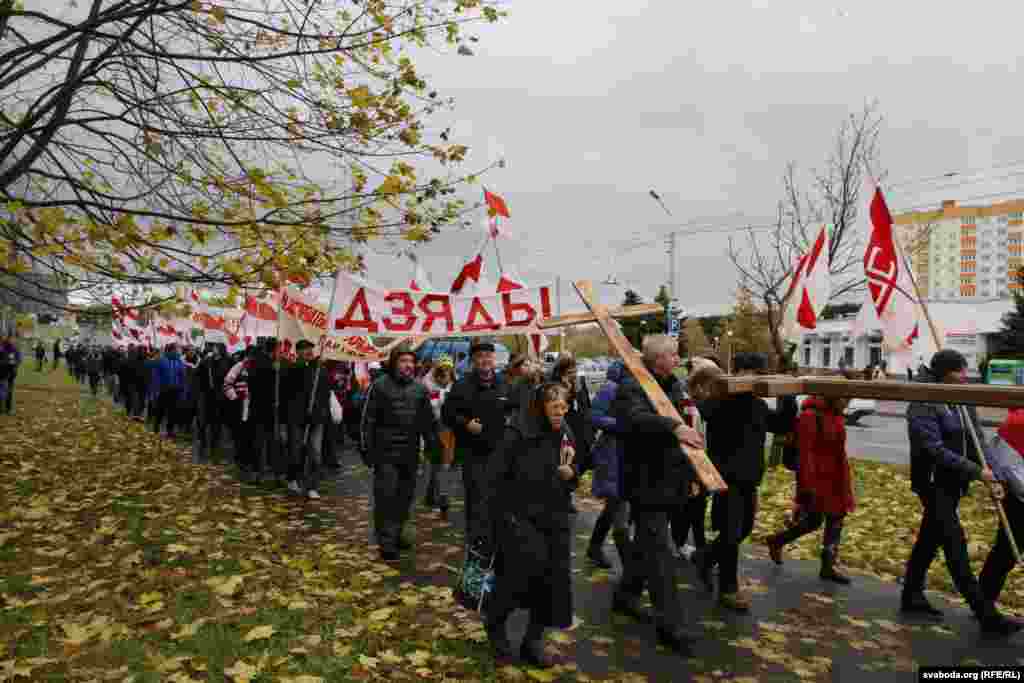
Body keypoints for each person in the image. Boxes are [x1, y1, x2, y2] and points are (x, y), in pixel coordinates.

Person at [901, 349, 1020, 635]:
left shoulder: (961, 396)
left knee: (931, 537)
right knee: (955, 542)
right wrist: (976, 471)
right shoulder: (923, 399)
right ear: (944, 372)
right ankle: (985, 614)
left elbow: (977, 440)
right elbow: (933, 449)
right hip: (932, 482)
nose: (964, 377)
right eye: (959, 372)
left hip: (955, 482)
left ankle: (911, 594)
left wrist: (996, 475)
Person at [611, 334, 705, 656]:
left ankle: (625, 596)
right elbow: (636, 420)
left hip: (671, 481)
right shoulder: (631, 387)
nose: (678, 360)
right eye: (672, 355)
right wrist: (673, 428)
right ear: (655, 359)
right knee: (661, 554)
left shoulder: (674, 385)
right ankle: (671, 626)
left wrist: (691, 473)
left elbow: (688, 421)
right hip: (644, 485)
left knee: (644, 547)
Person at [691, 352, 797, 613]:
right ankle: (728, 589)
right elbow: (705, 407)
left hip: (749, 478)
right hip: (727, 478)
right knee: (730, 534)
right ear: (739, 374)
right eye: (756, 373)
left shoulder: (757, 405)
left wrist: (788, 394)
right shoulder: (720, 402)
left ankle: (704, 557)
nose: (759, 379)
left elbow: (783, 424)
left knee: (744, 529)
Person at [483, 382, 578, 668]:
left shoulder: (565, 432)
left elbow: (576, 467)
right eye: (555, 407)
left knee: (551, 583)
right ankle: (496, 626)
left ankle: (533, 640)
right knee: (517, 578)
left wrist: (570, 473)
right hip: (519, 517)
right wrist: (495, 520)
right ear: (540, 406)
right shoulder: (517, 432)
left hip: (555, 518)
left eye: (564, 406)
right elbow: (494, 477)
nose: (560, 412)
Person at [765, 395, 855, 584]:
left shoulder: (836, 414)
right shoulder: (810, 416)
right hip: (816, 475)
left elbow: (838, 448)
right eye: (845, 398)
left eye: (850, 399)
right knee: (814, 520)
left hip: (835, 473)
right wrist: (807, 485)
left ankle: (828, 566)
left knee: (837, 517)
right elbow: (805, 452)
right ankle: (777, 540)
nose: (847, 403)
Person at [362, 344, 438, 561]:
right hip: (385, 452)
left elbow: (428, 422)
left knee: (404, 496)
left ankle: (398, 532)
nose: (408, 365)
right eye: (403, 361)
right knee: (386, 496)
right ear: (394, 363)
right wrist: (367, 448)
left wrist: (433, 445)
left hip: (410, 453)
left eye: (411, 362)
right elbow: (368, 420)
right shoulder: (380, 386)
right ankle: (386, 540)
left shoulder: (419, 389)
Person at [443, 340, 508, 547]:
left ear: (494, 359)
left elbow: (516, 410)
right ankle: (476, 539)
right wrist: (465, 423)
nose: (485, 360)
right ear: (473, 361)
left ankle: (496, 536)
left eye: (488, 356)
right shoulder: (461, 385)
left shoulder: (504, 383)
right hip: (473, 452)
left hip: (500, 451)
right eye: (480, 357)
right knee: (476, 496)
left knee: (498, 496)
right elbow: (447, 414)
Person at [586, 360, 631, 569]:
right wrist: (621, 425)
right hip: (612, 453)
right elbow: (594, 417)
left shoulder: (634, 386)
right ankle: (631, 571)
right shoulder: (611, 388)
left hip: (625, 454)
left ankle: (594, 547)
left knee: (613, 507)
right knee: (617, 506)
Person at [980, 409, 1024, 608]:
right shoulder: (1018, 423)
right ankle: (984, 602)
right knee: (1005, 552)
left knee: (1004, 552)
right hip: (1018, 498)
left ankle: (983, 600)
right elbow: (1006, 466)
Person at [281, 340, 332, 497]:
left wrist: (322, 412)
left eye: (310, 348)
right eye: (304, 349)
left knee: (315, 452)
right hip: (297, 418)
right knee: (295, 451)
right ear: (298, 352)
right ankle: (293, 479)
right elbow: (288, 391)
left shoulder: (320, 369)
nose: (309, 351)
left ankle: (312, 486)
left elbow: (325, 392)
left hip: (316, 418)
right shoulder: (293, 368)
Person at [551, 354, 594, 515]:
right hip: (565, 429)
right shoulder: (555, 386)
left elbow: (586, 405)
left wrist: (591, 427)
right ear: (561, 373)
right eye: (569, 372)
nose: (573, 375)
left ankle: (568, 491)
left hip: (581, 429)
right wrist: (566, 391)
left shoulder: (580, 383)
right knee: (565, 462)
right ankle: (564, 497)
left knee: (580, 462)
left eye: (574, 371)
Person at [422, 359, 456, 514]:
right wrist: (438, 400)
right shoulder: (427, 388)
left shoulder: (454, 388)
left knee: (444, 465)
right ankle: (436, 497)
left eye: (448, 374)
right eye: (442, 374)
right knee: (436, 464)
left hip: (448, 430)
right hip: (434, 430)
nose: (445, 378)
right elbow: (427, 410)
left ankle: (439, 497)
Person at [150, 344, 186, 437]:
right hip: (163, 389)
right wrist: (156, 390)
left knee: (172, 411)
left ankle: (170, 430)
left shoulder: (179, 362)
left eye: (177, 350)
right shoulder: (160, 361)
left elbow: (182, 376)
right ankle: (156, 427)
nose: (177, 352)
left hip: (175, 390)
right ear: (169, 351)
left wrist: (182, 389)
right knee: (160, 410)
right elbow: (155, 376)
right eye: (175, 350)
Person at [0, 336, 21, 414]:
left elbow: (18, 360)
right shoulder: (4, 348)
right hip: (5, 373)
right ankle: (5, 408)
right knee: (5, 390)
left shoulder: (13, 349)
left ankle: (7, 408)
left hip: (9, 373)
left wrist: (14, 364)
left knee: (8, 391)